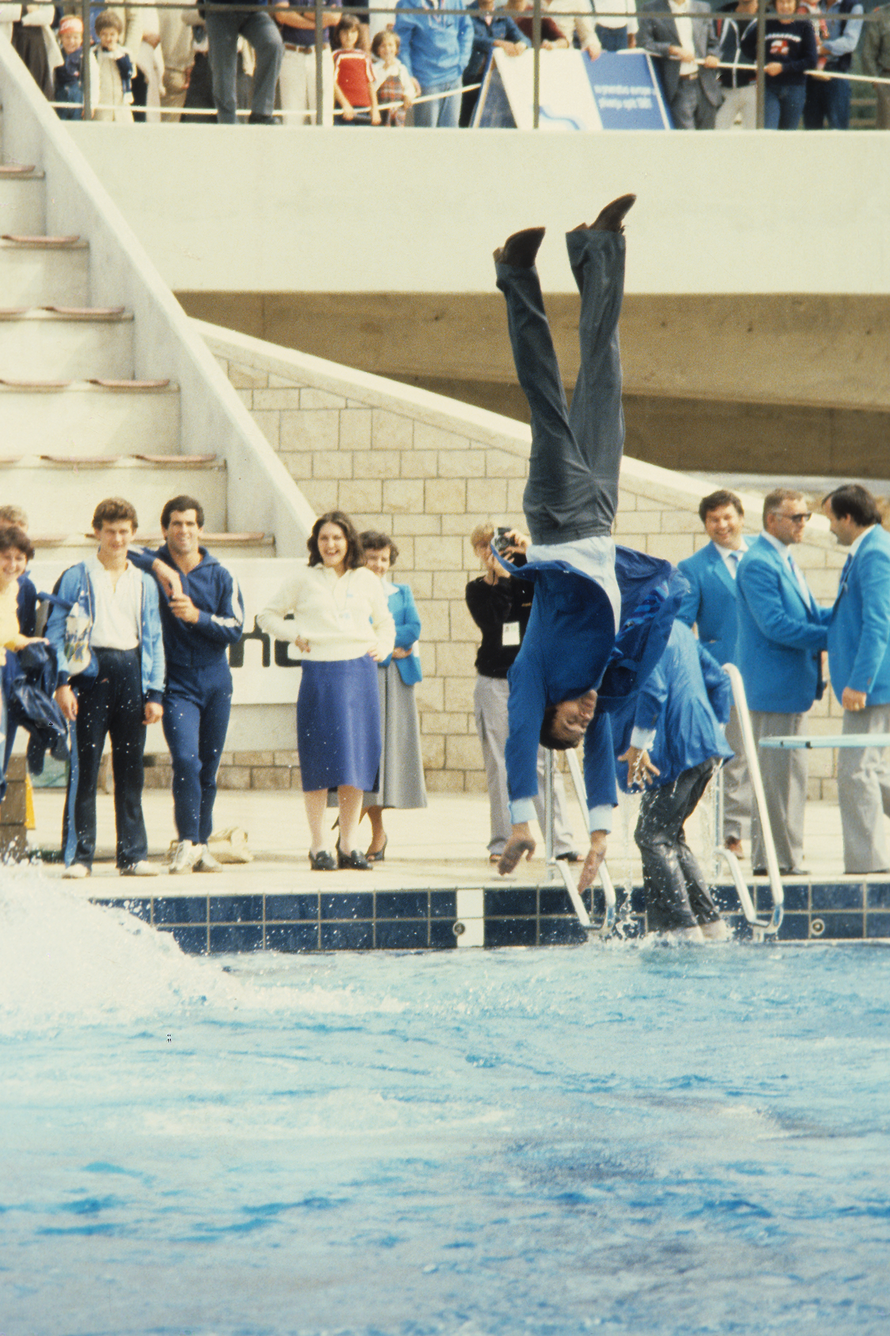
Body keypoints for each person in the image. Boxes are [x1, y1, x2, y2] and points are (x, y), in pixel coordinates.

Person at [492, 196, 684, 895]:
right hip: (601, 515)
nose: (583, 720)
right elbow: (601, 763)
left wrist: (523, 819)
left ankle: (514, 273)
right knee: (605, 372)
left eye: (568, 726)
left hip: (556, 521)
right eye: (582, 727)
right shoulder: (597, 692)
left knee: (545, 396)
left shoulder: (536, 678)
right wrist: (601, 839)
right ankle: (599, 246)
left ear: (550, 712)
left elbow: (520, 741)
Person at [258, 511, 395, 872]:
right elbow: (266, 616)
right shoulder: (303, 579)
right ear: (316, 544)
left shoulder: (366, 578)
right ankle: (319, 844)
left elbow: (385, 621)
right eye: (323, 539)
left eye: (337, 538)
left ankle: (348, 845)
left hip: (359, 673)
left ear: (348, 541)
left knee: (355, 762)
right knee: (319, 760)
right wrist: (294, 636)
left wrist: (383, 644)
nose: (330, 545)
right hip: (320, 674)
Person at [46, 497, 165, 879]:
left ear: (133, 534)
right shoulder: (77, 575)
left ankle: (132, 854)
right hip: (89, 675)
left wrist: (155, 693)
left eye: (124, 531)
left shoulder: (143, 580)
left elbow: (153, 639)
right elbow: (56, 631)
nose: (117, 538)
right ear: (96, 531)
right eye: (110, 531)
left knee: (130, 769)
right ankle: (79, 856)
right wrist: (62, 682)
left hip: (130, 673)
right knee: (85, 766)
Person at [126, 496, 244, 875]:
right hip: (176, 682)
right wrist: (161, 566)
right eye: (176, 524)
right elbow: (122, 548)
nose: (184, 530)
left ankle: (201, 844)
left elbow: (236, 628)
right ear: (165, 529)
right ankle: (187, 842)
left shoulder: (221, 575)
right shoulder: (149, 569)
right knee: (185, 761)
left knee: (207, 767)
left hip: (215, 680)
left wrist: (199, 616)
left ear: (201, 529)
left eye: (191, 524)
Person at [612, 622, 733, 941]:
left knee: (651, 835)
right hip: (703, 749)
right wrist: (713, 731)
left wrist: (639, 745)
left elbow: (653, 689)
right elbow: (721, 679)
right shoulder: (676, 627)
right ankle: (710, 925)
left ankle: (682, 927)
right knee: (670, 835)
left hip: (676, 752)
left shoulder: (635, 632)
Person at [465, 522, 578, 864]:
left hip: (534, 682)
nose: (492, 551)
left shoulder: (533, 582)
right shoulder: (478, 589)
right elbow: (495, 622)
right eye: (484, 547)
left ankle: (560, 842)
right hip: (495, 680)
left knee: (543, 762)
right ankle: (504, 840)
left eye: (498, 545)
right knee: (500, 763)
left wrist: (531, 558)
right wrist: (499, 577)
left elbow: (563, 592)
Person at [735, 489, 829, 876]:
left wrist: (842, 618)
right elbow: (774, 625)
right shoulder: (759, 563)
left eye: (806, 516)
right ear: (772, 519)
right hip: (773, 689)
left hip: (790, 688)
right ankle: (774, 863)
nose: (803, 523)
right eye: (797, 517)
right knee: (777, 782)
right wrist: (833, 637)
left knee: (789, 778)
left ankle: (785, 859)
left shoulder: (782, 559)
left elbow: (807, 612)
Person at [677, 489, 751, 858]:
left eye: (727, 517)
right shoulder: (694, 568)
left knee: (769, 757)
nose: (722, 525)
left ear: (741, 516)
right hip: (728, 673)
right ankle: (734, 833)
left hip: (773, 674)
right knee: (735, 757)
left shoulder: (764, 555)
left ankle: (772, 836)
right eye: (713, 520)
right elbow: (680, 628)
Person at [822, 485, 890, 874]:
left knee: (855, 772)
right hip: (872, 682)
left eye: (832, 518)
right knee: (873, 771)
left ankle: (868, 864)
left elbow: (879, 622)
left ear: (848, 518)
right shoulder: (870, 549)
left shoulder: (875, 553)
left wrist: (859, 682)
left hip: (873, 685)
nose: (829, 527)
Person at [359, 531, 427, 860]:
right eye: (372, 557)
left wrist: (382, 642)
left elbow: (413, 628)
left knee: (388, 758)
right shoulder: (353, 592)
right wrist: (390, 648)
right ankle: (371, 831)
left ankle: (375, 833)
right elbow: (360, 631)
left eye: (383, 558)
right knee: (367, 757)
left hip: (396, 684)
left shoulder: (402, 592)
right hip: (363, 677)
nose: (378, 564)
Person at [637, 0, 723, 129]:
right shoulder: (651, 8)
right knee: (686, 140)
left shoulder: (702, 8)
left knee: (707, 140)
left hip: (705, 85)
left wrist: (713, 56)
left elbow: (713, 43)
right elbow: (644, 43)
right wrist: (672, 50)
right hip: (678, 85)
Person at [394, 0, 474, 128]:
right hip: (426, 80)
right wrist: (409, 75)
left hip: (454, 76)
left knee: (451, 133)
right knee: (427, 135)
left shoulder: (455, 2)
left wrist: (462, 61)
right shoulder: (408, 4)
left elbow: (467, 29)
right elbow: (401, 44)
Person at [741, 0, 817, 129]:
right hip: (769, 88)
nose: (785, 6)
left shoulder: (805, 26)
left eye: (789, 2)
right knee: (768, 132)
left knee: (787, 136)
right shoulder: (766, 23)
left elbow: (811, 60)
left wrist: (783, 67)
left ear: (796, 4)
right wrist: (762, 60)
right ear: (775, 4)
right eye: (781, 2)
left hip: (795, 88)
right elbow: (746, 45)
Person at [204, 0, 283, 124]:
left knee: (273, 44)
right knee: (223, 67)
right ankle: (227, 120)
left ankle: (261, 113)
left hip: (254, 9)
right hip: (219, 8)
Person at [461, 0, 527, 127]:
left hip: (494, 81)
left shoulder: (502, 15)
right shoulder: (467, 13)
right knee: (465, 122)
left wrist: (521, 45)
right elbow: (469, 37)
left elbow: (523, 38)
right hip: (471, 77)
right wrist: (495, 43)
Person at [275, 0, 340, 126]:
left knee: (324, 118)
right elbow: (282, 14)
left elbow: (334, 17)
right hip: (292, 54)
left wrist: (301, 11)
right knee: (292, 118)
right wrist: (317, 23)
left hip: (321, 54)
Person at [802, 0, 863, 130]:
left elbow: (850, 42)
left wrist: (820, 49)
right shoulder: (814, 4)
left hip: (836, 73)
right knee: (811, 131)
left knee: (838, 129)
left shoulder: (853, 7)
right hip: (811, 75)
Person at [714, 0, 757, 128]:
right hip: (724, 88)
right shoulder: (720, 16)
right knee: (717, 135)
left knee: (754, 139)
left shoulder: (768, 18)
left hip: (754, 89)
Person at [333, 15, 381, 124]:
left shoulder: (364, 57)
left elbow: (370, 84)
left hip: (364, 109)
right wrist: (344, 104)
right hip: (345, 110)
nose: (349, 36)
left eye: (353, 32)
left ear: (358, 34)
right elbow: (333, 83)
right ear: (338, 34)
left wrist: (375, 108)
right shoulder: (335, 56)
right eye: (345, 32)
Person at [92, 9, 135, 123]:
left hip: (121, 104)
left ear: (118, 35)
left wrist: (117, 54)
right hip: (102, 105)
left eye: (112, 34)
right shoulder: (94, 53)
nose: (108, 38)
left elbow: (129, 72)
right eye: (104, 34)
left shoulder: (124, 53)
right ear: (98, 34)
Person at [371, 29, 416, 127]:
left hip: (397, 113)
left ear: (396, 48)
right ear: (377, 50)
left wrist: (408, 96)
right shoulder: (375, 68)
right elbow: (372, 89)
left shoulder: (401, 68)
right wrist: (384, 71)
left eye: (390, 45)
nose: (387, 49)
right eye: (383, 46)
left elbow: (409, 88)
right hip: (381, 112)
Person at [860, 1, 890, 128]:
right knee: (886, 131)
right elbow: (868, 53)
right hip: (887, 81)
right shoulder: (880, 15)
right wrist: (876, 81)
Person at [54, 15, 85, 119]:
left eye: (75, 37)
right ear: (61, 38)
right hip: (60, 96)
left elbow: (92, 80)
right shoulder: (56, 54)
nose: (71, 41)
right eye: (67, 37)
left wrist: (90, 103)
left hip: (78, 97)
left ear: (81, 39)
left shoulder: (85, 56)